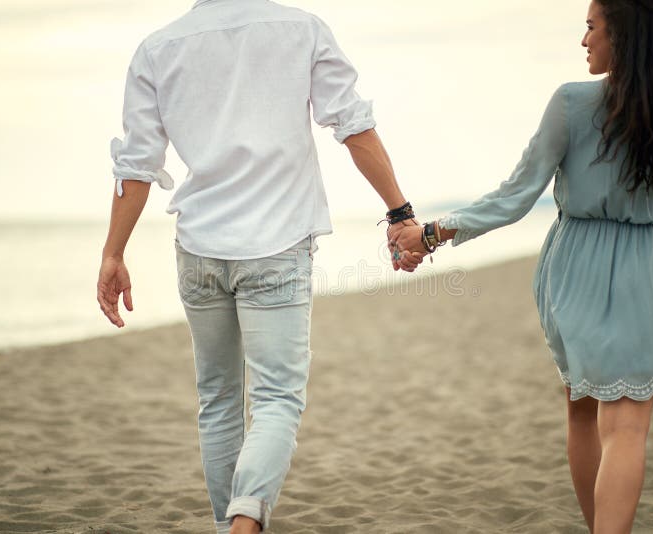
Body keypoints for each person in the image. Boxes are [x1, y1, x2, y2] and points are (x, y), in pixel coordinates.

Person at [390, 1, 653, 532]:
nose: (583, 40)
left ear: (622, 35)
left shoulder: (574, 101)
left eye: (591, 27)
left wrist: (430, 234)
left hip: (579, 268)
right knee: (628, 427)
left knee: (585, 411)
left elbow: (516, 196)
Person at [96, 1, 417, 533]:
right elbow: (353, 126)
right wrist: (400, 212)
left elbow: (137, 163)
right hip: (276, 243)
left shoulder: (159, 48)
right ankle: (246, 521)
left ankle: (229, 528)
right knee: (276, 400)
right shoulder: (301, 29)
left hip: (199, 248)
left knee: (218, 400)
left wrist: (113, 252)